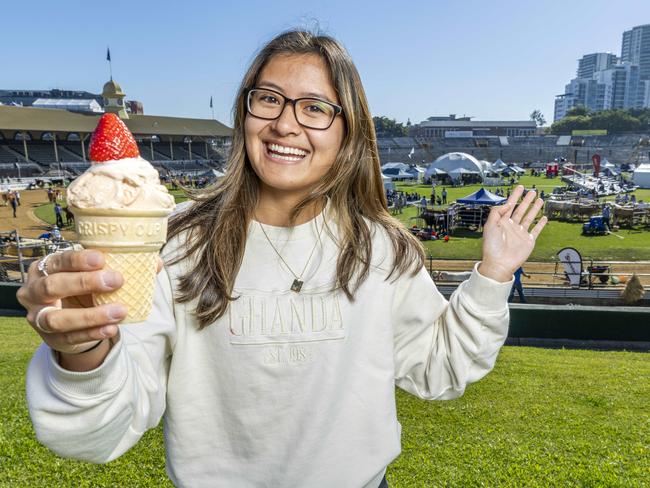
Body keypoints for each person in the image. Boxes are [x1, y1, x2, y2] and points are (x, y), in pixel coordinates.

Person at [18, 30, 547, 488]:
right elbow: (100, 431)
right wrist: (83, 349)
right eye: (268, 99)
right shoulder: (176, 245)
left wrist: (495, 273)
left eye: (315, 108)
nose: (286, 124)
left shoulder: (380, 248)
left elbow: (441, 369)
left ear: (348, 134)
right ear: (244, 112)